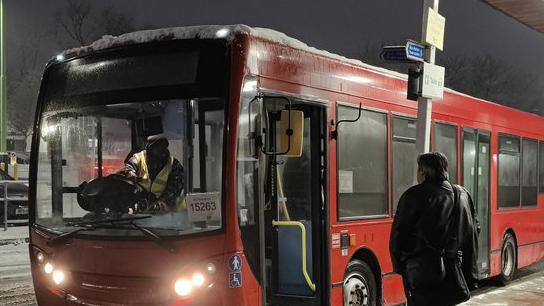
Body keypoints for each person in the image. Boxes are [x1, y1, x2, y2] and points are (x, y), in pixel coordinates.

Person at [389, 152, 479, 306]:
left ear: (423, 172)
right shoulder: (463, 194)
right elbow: (475, 229)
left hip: (423, 274)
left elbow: (398, 236)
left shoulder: (413, 195)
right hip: (455, 273)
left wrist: (402, 268)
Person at [122, 135, 185, 212]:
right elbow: (129, 167)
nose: (161, 151)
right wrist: (130, 174)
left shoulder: (174, 165)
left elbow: (174, 190)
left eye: (163, 148)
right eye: (157, 148)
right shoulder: (138, 159)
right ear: (149, 149)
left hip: (167, 215)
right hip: (140, 210)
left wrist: (160, 203)